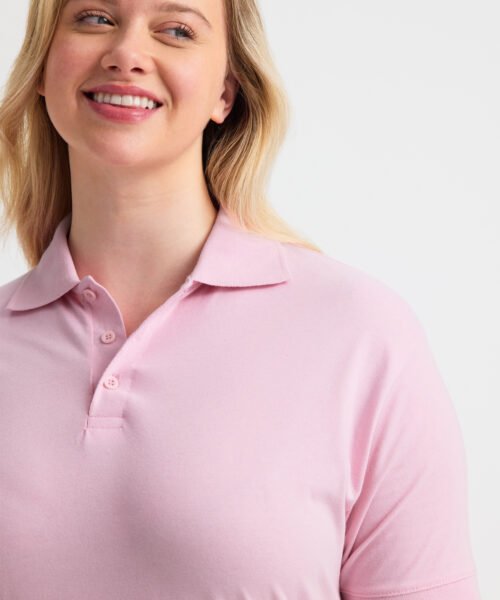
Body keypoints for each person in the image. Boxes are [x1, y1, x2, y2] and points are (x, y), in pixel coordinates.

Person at [0, 0, 481, 598]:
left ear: (225, 93)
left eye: (177, 30)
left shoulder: (360, 334)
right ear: (43, 69)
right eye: (95, 18)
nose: (126, 53)